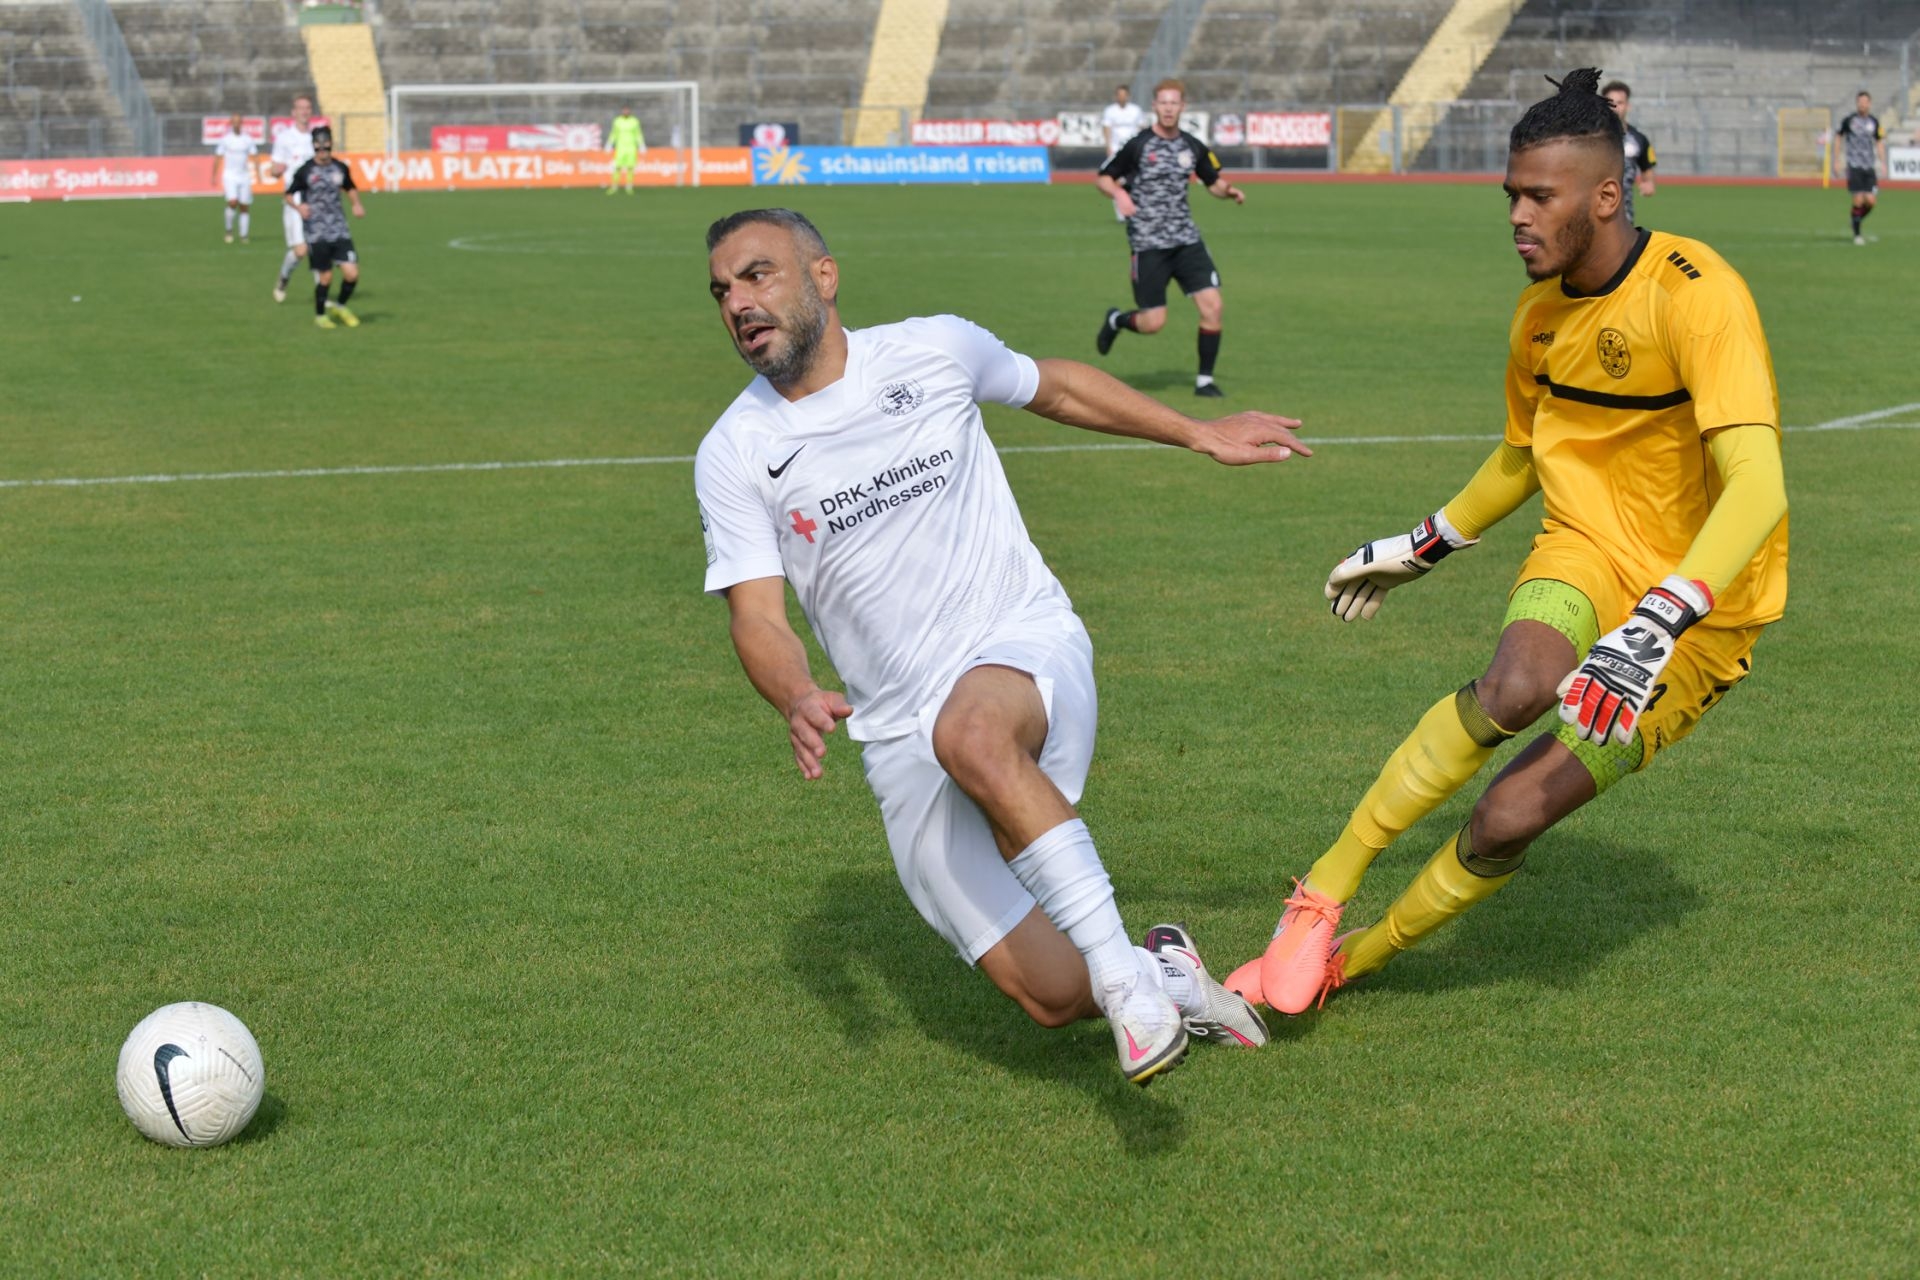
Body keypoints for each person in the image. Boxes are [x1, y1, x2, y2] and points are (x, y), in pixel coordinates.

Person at [695, 208, 1308, 1083]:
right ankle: (1158, 970)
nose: (739, 303)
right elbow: (755, 615)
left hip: (1017, 641)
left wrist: (1195, 431)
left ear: (824, 277)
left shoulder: (931, 349)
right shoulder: (734, 450)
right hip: (898, 732)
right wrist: (794, 692)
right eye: (722, 291)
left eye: (758, 275)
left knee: (972, 733)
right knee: (1053, 998)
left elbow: (1050, 385)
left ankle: (1130, 993)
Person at [1224, 70, 1788, 1016]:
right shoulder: (1537, 317)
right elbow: (1524, 457)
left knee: (1506, 814)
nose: (1519, 217)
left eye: (1540, 196)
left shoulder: (1698, 294)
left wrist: (1656, 622)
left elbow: (1760, 486)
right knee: (1514, 687)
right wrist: (1424, 543)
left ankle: (1349, 962)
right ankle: (1319, 897)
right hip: (1584, 549)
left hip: (1703, 613)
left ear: (1606, 196)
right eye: (1512, 197)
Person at [1093, 79, 1245, 398]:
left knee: (1213, 307)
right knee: (1153, 323)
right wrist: (1120, 194)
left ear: (1182, 107)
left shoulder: (1191, 145)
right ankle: (1117, 320)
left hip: (1187, 241)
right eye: (1163, 102)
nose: (1168, 108)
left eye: (1174, 103)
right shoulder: (1139, 144)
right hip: (1149, 244)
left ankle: (1204, 381)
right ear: (1154, 106)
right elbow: (1104, 177)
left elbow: (1213, 182)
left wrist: (1228, 192)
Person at [284, 126, 366, 330]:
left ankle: (340, 306)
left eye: (325, 146)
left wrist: (356, 203)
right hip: (316, 231)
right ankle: (320, 316)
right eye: (318, 147)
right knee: (326, 277)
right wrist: (298, 206)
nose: (322, 151)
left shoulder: (340, 168)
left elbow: (350, 187)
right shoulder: (305, 170)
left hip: (339, 229)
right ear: (314, 147)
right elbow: (288, 194)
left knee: (352, 274)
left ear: (330, 145)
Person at [269, 95, 317, 302]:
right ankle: (283, 278)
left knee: (318, 248)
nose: (304, 112)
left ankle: (321, 295)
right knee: (300, 250)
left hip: (316, 198)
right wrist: (277, 170)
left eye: (307, 108)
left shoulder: (317, 137)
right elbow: (273, 169)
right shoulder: (284, 138)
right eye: (300, 108)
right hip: (295, 199)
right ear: (293, 112)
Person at [1833, 91, 1886, 246]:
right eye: (1860, 101)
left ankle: (1855, 220)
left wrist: (1883, 162)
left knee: (1870, 201)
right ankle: (1857, 234)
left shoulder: (1874, 122)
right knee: (1858, 199)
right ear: (1857, 103)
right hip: (1854, 165)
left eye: (1865, 101)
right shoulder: (1849, 121)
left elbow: (1879, 142)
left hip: (1869, 166)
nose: (1862, 104)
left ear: (1869, 103)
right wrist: (1836, 160)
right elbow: (1838, 137)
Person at [1601, 80, 1655, 225]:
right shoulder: (1589, 136)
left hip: (1624, 214)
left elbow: (1647, 168)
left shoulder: (1638, 139)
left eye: (1620, 102)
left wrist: (1648, 183)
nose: (1615, 107)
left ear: (1627, 106)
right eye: (1610, 102)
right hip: (1593, 209)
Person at [1098, 85, 1145, 221]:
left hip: (1132, 150)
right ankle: (1121, 213)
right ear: (1116, 96)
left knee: (1134, 179)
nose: (1122, 97)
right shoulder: (1110, 111)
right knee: (1114, 180)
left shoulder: (1136, 110)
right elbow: (1106, 128)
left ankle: (1135, 209)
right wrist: (1108, 146)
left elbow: (1142, 128)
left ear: (1128, 96)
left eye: (1124, 95)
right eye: (1119, 95)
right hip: (1116, 149)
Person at [210, 113, 256, 245]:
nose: (236, 124)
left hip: (244, 176)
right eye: (234, 122)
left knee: (244, 206)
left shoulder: (247, 139)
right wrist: (214, 176)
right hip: (230, 175)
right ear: (231, 124)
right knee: (232, 202)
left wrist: (257, 173)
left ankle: (244, 235)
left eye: (238, 122)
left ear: (241, 123)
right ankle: (229, 230)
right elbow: (218, 157)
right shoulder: (226, 139)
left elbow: (254, 155)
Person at [606, 108, 646, 194]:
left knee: (630, 167)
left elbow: (638, 133)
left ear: (630, 111)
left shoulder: (634, 121)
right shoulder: (617, 121)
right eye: (624, 110)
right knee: (617, 167)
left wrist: (641, 144)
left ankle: (629, 186)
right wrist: (609, 143)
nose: (626, 112)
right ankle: (614, 186)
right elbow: (614, 133)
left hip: (631, 147)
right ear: (622, 111)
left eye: (627, 110)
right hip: (620, 147)